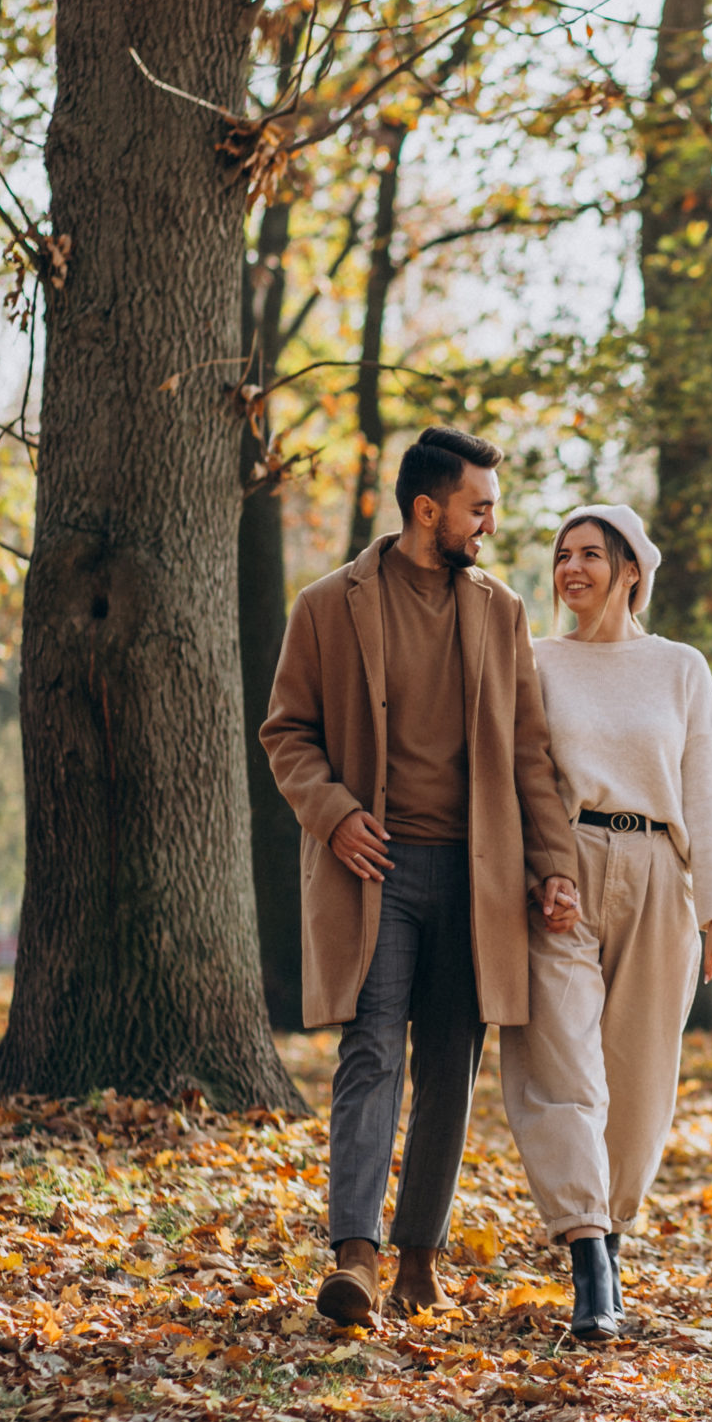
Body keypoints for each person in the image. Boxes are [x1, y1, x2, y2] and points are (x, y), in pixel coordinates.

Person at [259, 426, 582, 1325]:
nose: (490, 523)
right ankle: (353, 1256)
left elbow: (529, 754)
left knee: (451, 1060)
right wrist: (334, 813)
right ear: (427, 509)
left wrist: (554, 867)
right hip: (375, 871)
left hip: (477, 880)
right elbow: (287, 731)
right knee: (370, 1052)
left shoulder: (500, 610)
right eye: (479, 507)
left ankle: (417, 1260)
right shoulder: (329, 605)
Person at [499, 504, 712, 1341]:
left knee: (637, 1084)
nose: (571, 569)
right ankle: (588, 1253)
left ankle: (612, 1218)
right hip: (562, 876)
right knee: (559, 1062)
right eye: (562, 554)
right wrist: (543, 869)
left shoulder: (681, 669)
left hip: (657, 877)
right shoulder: (534, 661)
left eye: (590, 555)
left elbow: (706, 799)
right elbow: (518, 778)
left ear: (631, 568)